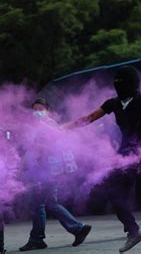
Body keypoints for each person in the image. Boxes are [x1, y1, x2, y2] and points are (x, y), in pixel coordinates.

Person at [63, 66, 141, 253]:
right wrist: (62, 128)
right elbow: (89, 118)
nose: (119, 86)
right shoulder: (114, 103)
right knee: (114, 191)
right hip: (126, 155)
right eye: (117, 83)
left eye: (122, 82)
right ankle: (133, 232)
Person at [19, 98, 92, 251]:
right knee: (50, 203)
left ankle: (37, 239)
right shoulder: (38, 126)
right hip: (47, 170)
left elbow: (53, 142)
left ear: (47, 110)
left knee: (37, 205)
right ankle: (78, 228)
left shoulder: (49, 124)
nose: (37, 112)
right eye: (34, 109)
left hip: (48, 171)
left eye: (40, 108)